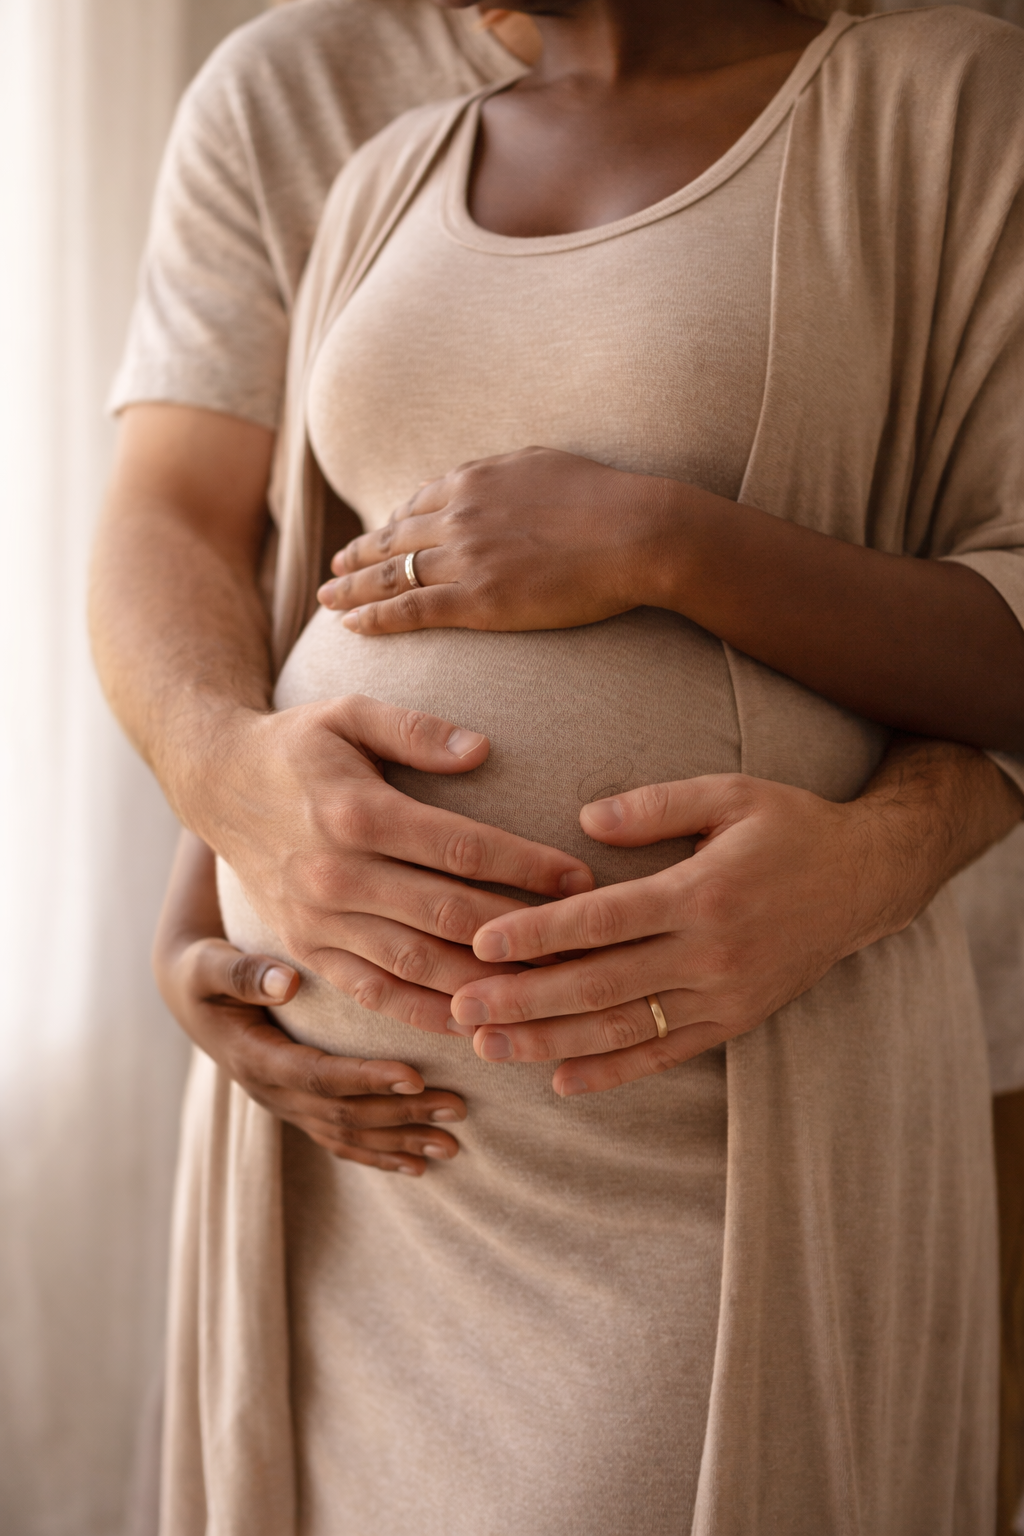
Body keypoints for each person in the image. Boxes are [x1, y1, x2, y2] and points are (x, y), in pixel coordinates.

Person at [91, 0, 1024, 1530]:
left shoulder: (945, 98)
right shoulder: (372, 150)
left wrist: (668, 544)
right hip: (367, 1145)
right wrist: (218, 878)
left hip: (713, 1127)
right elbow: (279, 570)